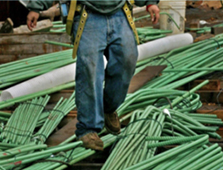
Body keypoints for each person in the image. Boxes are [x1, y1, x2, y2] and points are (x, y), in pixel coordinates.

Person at [26, 0, 160, 151]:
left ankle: (108, 108)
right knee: (90, 70)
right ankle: (87, 129)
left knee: (127, 60)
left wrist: (150, 3)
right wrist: (36, 7)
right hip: (88, 14)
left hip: (119, 13)